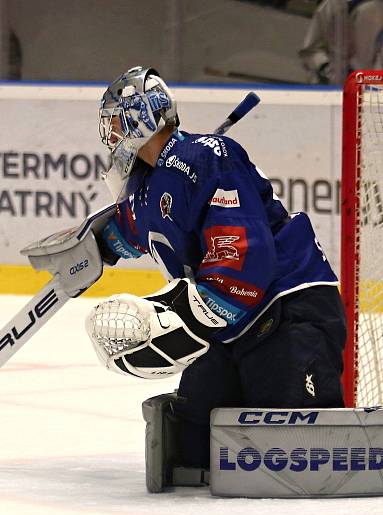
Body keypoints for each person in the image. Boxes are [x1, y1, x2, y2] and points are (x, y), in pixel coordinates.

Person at [89, 66, 347, 469]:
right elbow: (134, 226)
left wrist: (185, 313)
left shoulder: (206, 157)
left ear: (141, 118)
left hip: (286, 308)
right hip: (231, 325)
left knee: (293, 452)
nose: (112, 137)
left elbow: (243, 257)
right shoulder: (150, 182)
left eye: (117, 123)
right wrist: (93, 247)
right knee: (191, 449)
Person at [299, 0, 383, 84]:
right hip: (330, 90)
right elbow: (311, 50)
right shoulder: (335, 5)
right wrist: (325, 68)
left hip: (377, 94)